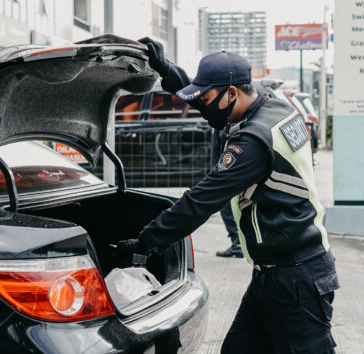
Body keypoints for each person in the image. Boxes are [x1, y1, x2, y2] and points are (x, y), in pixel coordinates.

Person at [116, 37, 340, 353]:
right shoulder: (272, 104)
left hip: (297, 279)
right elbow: (207, 95)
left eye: (207, 99)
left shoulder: (251, 142)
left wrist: (145, 243)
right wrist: (166, 70)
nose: (202, 108)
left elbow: (200, 201)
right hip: (272, 275)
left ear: (232, 93)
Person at [210, 127, 243, 258]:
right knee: (228, 207)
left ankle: (238, 242)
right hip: (222, 170)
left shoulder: (228, 123)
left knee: (227, 207)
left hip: (226, 174)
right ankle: (237, 242)